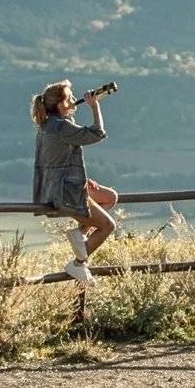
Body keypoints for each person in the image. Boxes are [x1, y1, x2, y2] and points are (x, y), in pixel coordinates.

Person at [33, 80, 119, 283]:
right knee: (108, 226)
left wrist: (80, 177)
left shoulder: (48, 126)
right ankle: (78, 263)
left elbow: (54, 160)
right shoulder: (62, 126)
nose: (74, 99)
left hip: (59, 185)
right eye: (70, 97)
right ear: (61, 104)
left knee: (109, 197)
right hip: (65, 191)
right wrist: (95, 107)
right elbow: (96, 133)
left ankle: (79, 232)